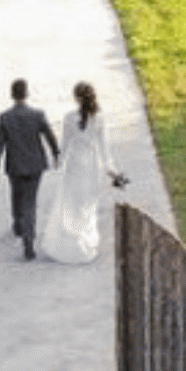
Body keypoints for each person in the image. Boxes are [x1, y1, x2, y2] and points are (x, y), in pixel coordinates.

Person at [38, 81, 126, 265]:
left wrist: (58, 163)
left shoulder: (69, 118)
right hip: (91, 167)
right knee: (88, 206)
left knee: (71, 204)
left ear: (77, 98)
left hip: (75, 166)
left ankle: (71, 245)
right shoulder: (100, 119)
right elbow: (105, 151)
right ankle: (86, 247)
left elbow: (65, 145)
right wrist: (114, 172)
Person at [0, 78, 59, 260]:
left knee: (16, 195)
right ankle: (28, 238)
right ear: (26, 94)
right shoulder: (37, 115)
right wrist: (56, 154)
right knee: (30, 201)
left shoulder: (5, 118)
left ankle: (19, 226)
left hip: (15, 166)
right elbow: (49, 136)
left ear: (12, 95)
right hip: (35, 165)